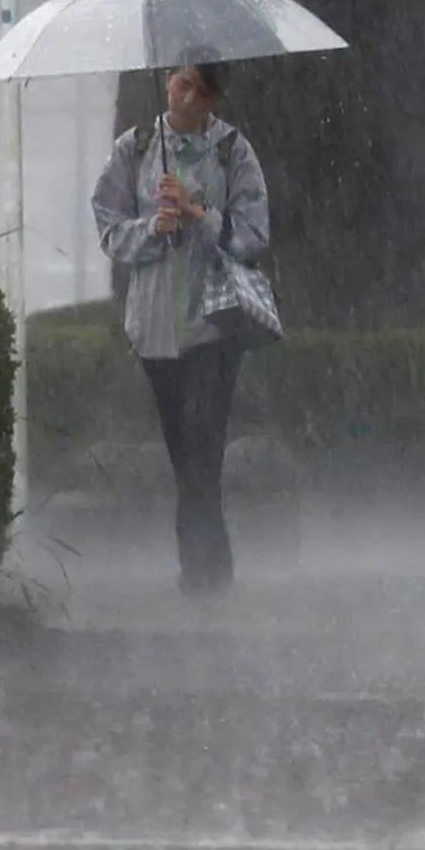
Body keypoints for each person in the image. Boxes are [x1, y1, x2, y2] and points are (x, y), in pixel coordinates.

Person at [90, 52, 272, 593]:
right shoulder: (135, 149)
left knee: (203, 441)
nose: (184, 99)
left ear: (215, 99)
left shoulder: (233, 151)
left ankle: (204, 570)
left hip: (213, 323)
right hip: (154, 327)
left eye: (198, 91)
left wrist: (200, 215)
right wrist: (154, 228)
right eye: (179, 85)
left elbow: (254, 233)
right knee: (184, 449)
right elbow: (108, 226)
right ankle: (206, 562)